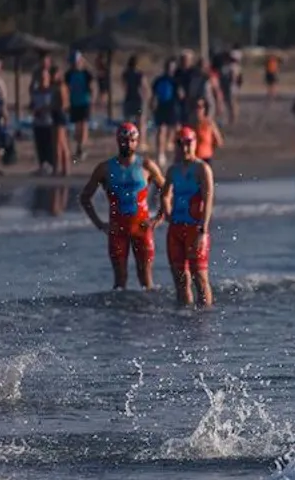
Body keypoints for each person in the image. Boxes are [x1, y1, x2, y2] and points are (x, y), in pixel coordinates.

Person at [81, 122, 163, 290]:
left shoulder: (146, 165)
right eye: (124, 140)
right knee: (120, 282)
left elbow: (168, 191)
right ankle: (118, 315)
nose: (128, 144)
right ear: (118, 141)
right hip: (117, 229)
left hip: (142, 228)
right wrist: (99, 224)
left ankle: (148, 313)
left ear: (137, 141)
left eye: (132, 140)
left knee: (146, 281)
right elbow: (85, 198)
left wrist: (159, 218)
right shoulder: (104, 168)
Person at [164, 127, 215, 308]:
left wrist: (204, 228)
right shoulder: (172, 170)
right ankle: (183, 318)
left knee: (199, 278)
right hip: (176, 229)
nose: (184, 148)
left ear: (195, 143)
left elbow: (209, 199)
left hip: (196, 228)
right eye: (180, 143)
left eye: (188, 143)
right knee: (180, 280)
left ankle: (204, 320)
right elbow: (165, 194)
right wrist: (167, 212)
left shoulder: (202, 168)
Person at [65, 52, 95, 159]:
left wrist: (92, 100)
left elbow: (91, 86)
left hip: (84, 102)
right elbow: (66, 89)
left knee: (84, 125)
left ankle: (82, 147)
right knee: (78, 126)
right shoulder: (69, 74)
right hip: (74, 102)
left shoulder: (86, 73)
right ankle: (79, 146)